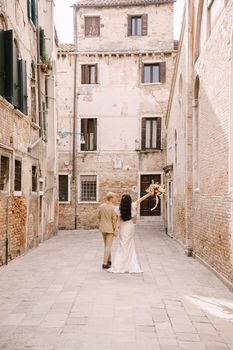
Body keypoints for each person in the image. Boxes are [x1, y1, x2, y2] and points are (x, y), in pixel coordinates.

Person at [108, 192, 152, 274]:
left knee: (122, 245)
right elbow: (142, 199)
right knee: (130, 245)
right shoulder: (133, 205)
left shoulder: (118, 208)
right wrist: (150, 193)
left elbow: (119, 221)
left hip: (123, 228)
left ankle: (120, 265)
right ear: (129, 200)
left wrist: (116, 229)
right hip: (130, 227)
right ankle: (129, 264)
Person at [97, 192, 117, 269]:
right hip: (110, 229)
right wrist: (115, 230)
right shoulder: (114, 208)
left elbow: (98, 216)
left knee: (106, 245)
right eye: (115, 197)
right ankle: (105, 263)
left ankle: (109, 260)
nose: (115, 199)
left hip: (103, 228)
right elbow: (114, 220)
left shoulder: (101, 206)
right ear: (111, 198)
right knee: (108, 246)